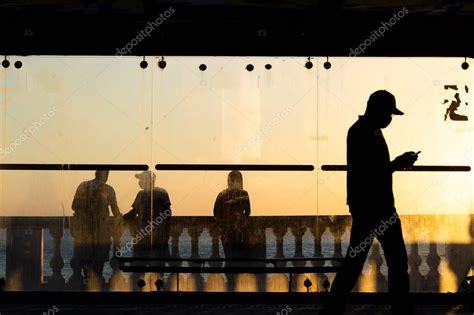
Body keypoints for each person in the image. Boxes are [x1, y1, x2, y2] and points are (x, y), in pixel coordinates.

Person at [325, 90, 418, 315]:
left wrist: (395, 164)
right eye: (388, 113)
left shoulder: (363, 131)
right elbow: (371, 173)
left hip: (367, 206)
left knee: (356, 260)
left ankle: (334, 307)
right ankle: (400, 307)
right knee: (396, 261)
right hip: (378, 208)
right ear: (377, 109)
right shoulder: (364, 133)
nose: (390, 118)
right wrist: (397, 163)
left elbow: (367, 172)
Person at [71, 170, 121, 288]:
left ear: (96, 173)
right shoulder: (108, 189)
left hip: (85, 232)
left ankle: (89, 287)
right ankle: (95, 288)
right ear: (105, 175)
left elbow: (74, 206)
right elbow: (115, 210)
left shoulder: (83, 186)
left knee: (86, 262)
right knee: (98, 265)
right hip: (101, 232)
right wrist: (121, 219)